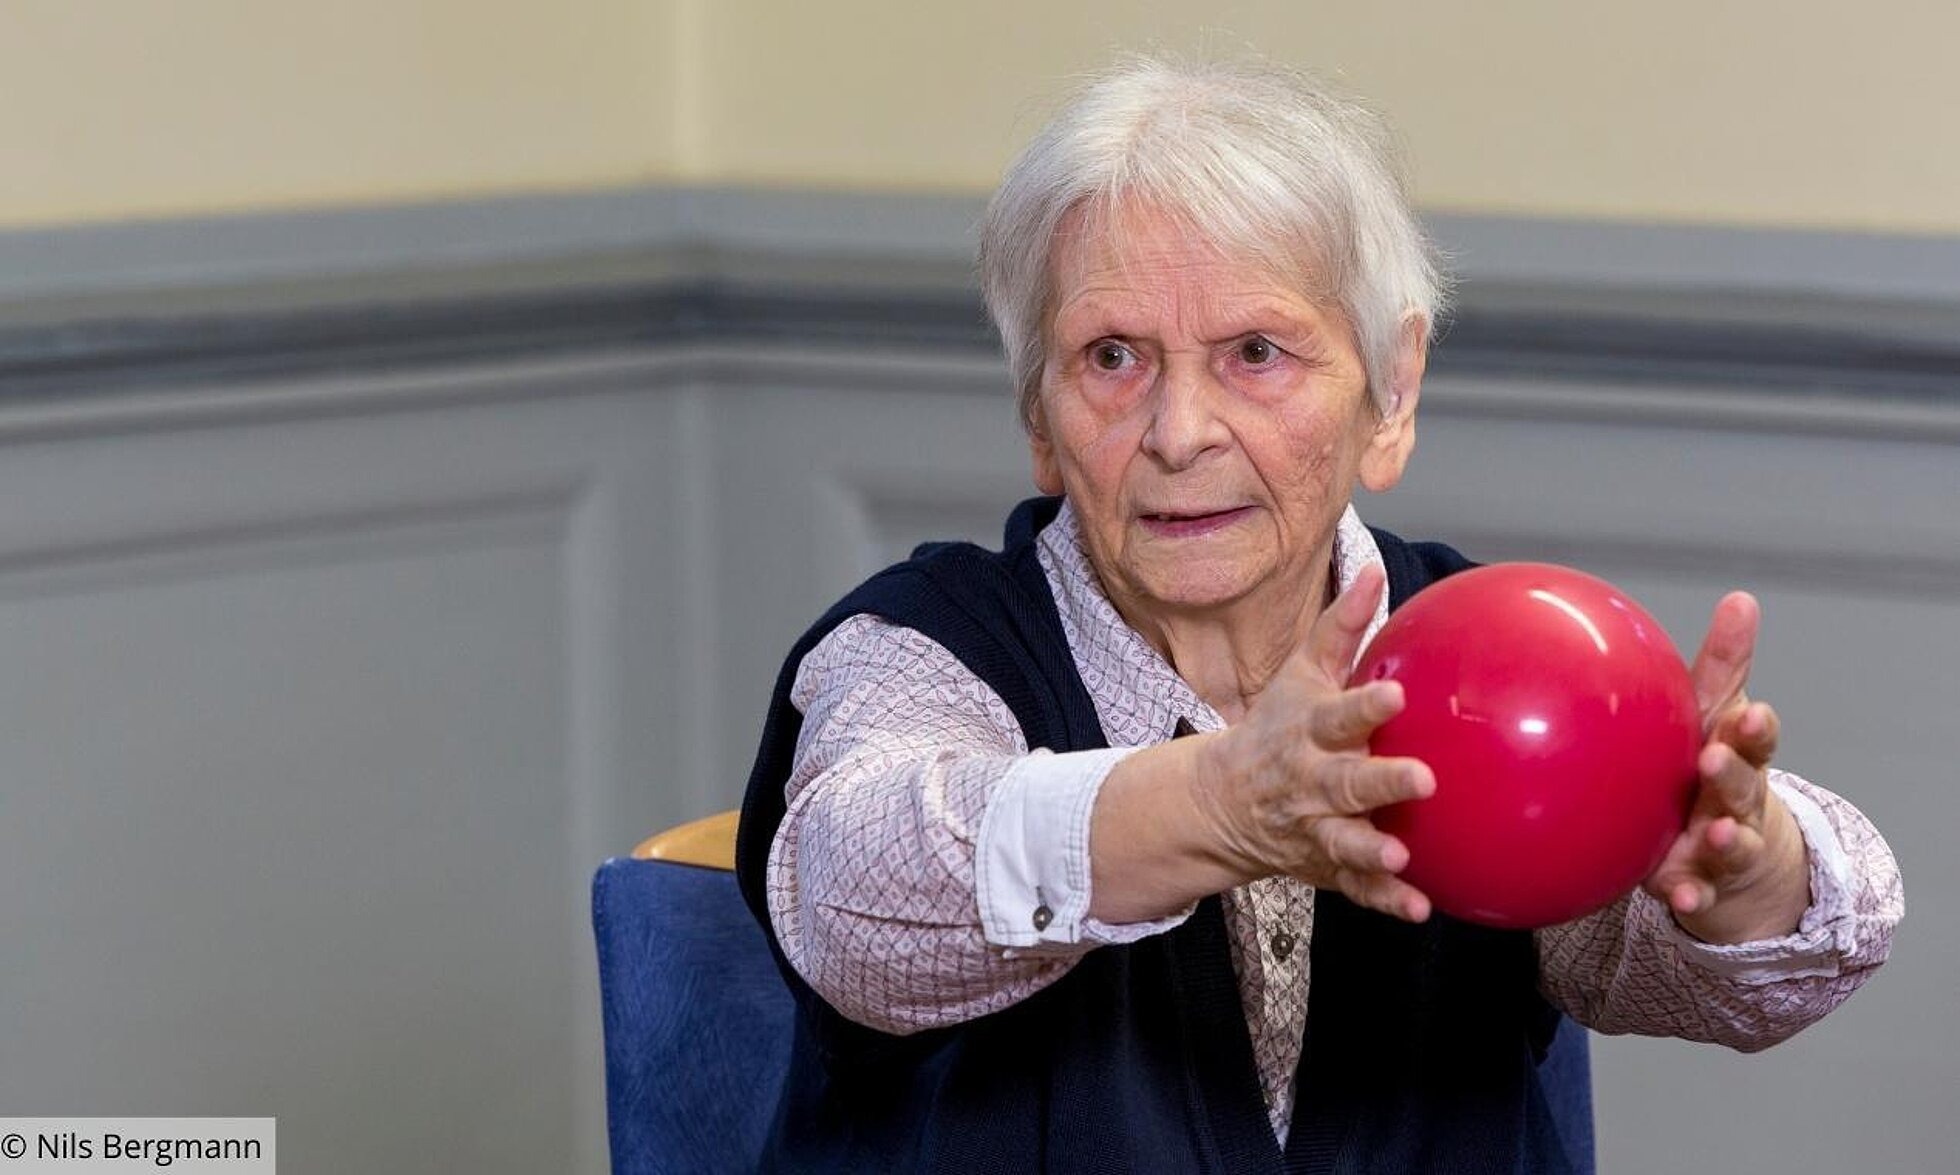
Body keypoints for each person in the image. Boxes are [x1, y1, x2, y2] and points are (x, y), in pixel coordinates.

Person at [734, 55, 1902, 1173]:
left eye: (1254, 351)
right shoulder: (918, 649)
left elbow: (1738, 966)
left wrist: (1740, 866)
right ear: (1037, 414)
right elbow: (851, 900)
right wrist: (1224, 803)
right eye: (1110, 356)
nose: (1178, 429)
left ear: (1391, 393)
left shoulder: (1488, 653)